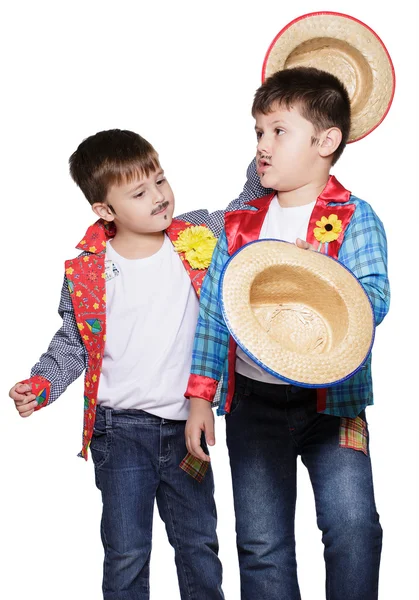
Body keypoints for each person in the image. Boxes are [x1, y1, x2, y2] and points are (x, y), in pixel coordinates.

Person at [7, 128, 248, 600]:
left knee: (199, 543)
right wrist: (42, 384)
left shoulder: (198, 233)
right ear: (105, 210)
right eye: (139, 192)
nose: (159, 197)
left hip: (187, 428)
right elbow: (74, 342)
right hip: (119, 434)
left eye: (160, 180)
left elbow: (247, 206)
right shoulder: (88, 270)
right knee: (126, 551)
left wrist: (267, 154)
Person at [185, 67, 390, 600]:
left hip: (335, 407)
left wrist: (323, 278)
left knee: (353, 529)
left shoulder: (355, 218)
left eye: (279, 131)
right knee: (261, 543)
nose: (263, 146)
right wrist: (200, 399)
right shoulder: (239, 224)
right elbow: (213, 315)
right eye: (259, 132)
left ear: (326, 141)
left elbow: (375, 301)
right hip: (254, 405)